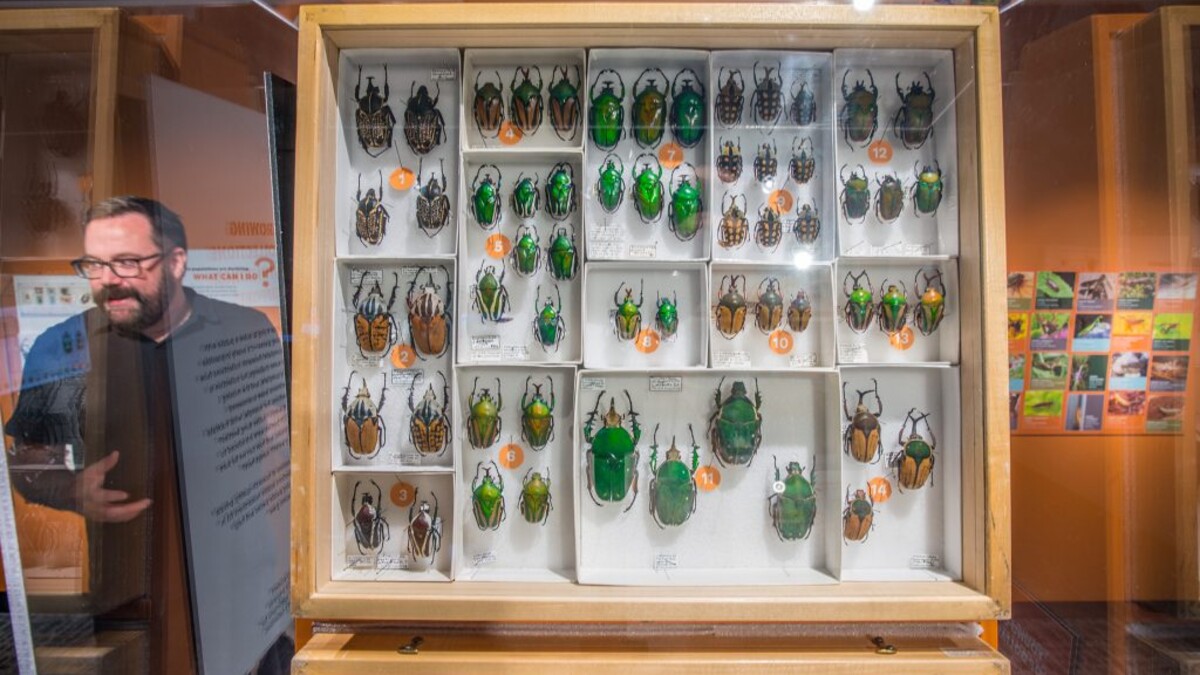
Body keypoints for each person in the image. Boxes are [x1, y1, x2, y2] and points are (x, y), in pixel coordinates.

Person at [5, 196, 292, 674]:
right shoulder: (61, 348)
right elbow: (28, 455)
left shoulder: (245, 331)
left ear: (176, 262)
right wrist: (70, 488)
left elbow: (282, 432)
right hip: (130, 591)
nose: (108, 279)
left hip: (245, 585)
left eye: (127, 262)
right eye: (94, 265)